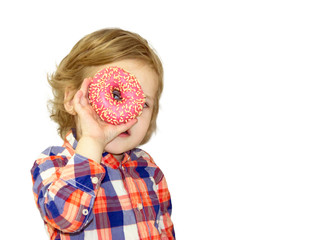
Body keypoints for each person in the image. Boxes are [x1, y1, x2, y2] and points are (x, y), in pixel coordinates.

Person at [31, 28, 175, 240]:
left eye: (143, 104)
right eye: (116, 95)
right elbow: (65, 218)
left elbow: (164, 230)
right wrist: (92, 140)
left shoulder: (148, 168)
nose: (128, 115)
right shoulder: (54, 163)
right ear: (72, 99)